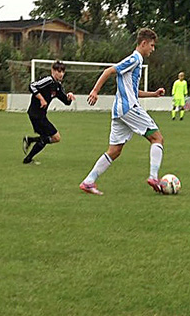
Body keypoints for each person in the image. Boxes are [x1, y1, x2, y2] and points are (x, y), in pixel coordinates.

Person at [79, 28, 165, 196]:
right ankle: (154, 177)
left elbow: (133, 90)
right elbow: (109, 71)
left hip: (119, 111)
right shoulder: (135, 58)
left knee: (115, 151)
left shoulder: (137, 62)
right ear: (143, 43)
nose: (152, 50)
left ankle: (88, 181)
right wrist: (95, 91)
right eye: (152, 46)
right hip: (128, 108)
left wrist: (153, 94)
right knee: (157, 138)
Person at [22, 60, 76, 164]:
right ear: (53, 71)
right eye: (58, 71)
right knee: (54, 137)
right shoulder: (48, 80)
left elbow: (66, 102)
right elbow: (32, 86)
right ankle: (28, 157)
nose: (61, 74)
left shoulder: (57, 86)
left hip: (41, 115)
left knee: (52, 138)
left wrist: (69, 97)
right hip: (35, 114)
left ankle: (30, 144)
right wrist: (41, 99)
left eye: (62, 72)